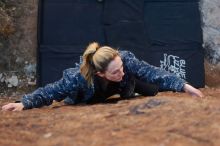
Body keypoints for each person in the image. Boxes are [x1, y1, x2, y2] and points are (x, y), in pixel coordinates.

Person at [2, 42, 204, 111]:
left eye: (121, 67)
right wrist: (24, 103)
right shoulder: (77, 78)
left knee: (152, 88)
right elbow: (51, 91)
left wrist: (184, 86)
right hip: (94, 96)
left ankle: (132, 92)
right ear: (100, 73)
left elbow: (152, 72)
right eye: (115, 71)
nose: (121, 71)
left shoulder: (124, 61)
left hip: (123, 88)